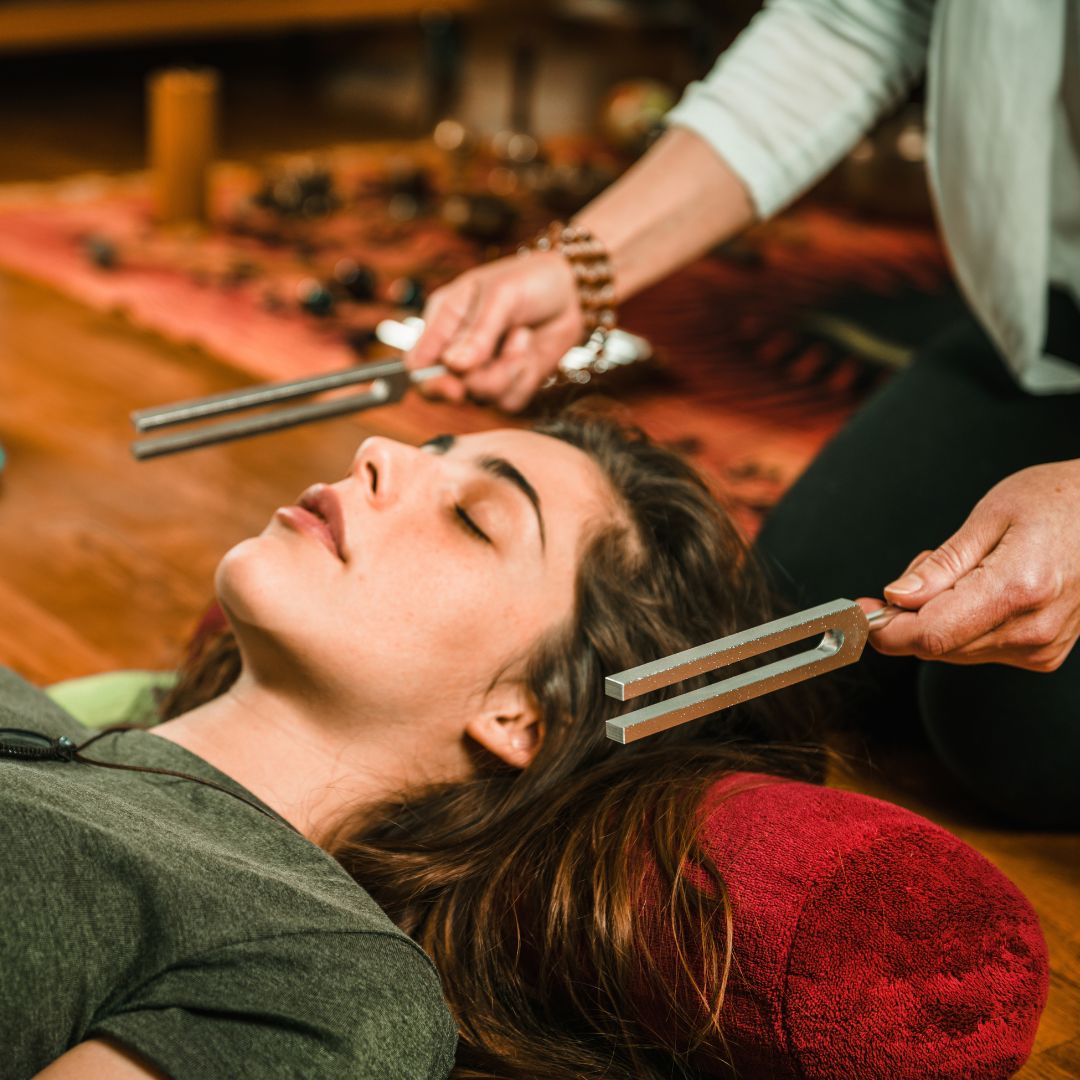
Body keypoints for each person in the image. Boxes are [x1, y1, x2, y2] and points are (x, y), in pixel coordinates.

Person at [403, 0, 1080, 827]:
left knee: (1005, 730)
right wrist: (583, 266)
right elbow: (853, 23)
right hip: (1053, 318)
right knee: (795, 622)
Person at [1, 411, 821, 1079]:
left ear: (521, 715)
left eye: (472, 518)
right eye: (428, 448)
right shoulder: (23, 703)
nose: (377, 450)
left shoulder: (325, 976)